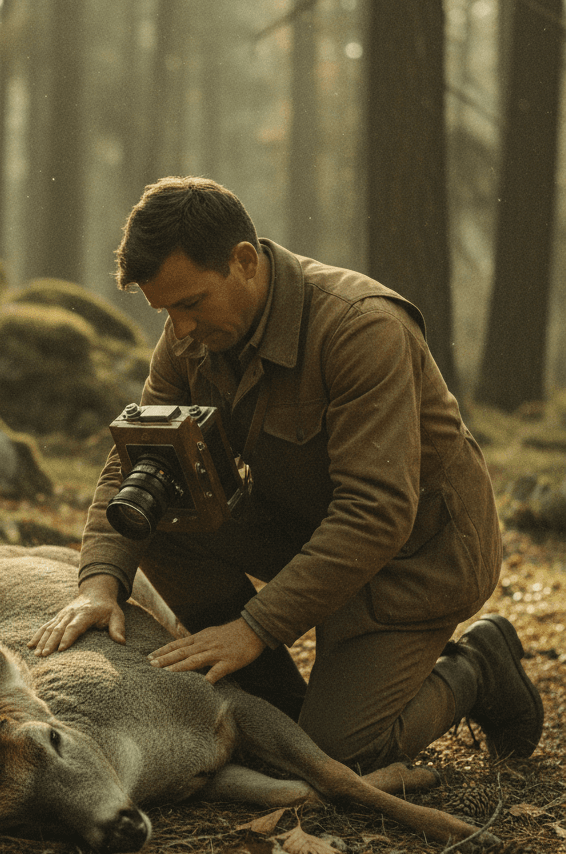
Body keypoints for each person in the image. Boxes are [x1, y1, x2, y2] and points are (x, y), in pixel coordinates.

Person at [29, 177, 543, 773]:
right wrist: (99, 581)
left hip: (415, 555)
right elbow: (139, 462)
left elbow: (376, 512)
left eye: (191, 303)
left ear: (243, 261)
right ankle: (274, 702)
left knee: (337, 756)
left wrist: (256, 627)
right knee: (156, 515)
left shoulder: (361, 329)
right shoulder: (190, 334)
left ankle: (479, 665)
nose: (181, 328)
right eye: (167, 310)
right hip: (306, 525)